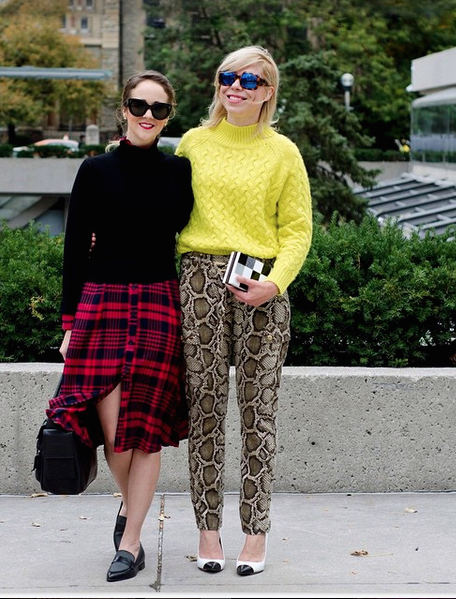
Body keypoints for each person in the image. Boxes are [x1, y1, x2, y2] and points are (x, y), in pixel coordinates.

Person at [46, 70, 194, 583]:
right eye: (139, 105)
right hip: (102, 303)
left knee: (146, 432)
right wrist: (69, 324)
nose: (148, 116)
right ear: (123, 109)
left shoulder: (180, 171)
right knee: (116, 436)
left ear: (169, 116)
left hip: (158, 303)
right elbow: (74, 250)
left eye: (159, 109)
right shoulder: (94, 170)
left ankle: (131, 542)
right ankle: (131, 506)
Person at [176, 46, 313, 576]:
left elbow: (297, 230)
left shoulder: (283, 152)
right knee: (205, 408)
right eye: (228, 76)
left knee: (260, 412)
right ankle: (208, 531)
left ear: (267, 91)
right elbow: (166, 209)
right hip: (199, 282)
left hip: (261, 285)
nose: (236, 86)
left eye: (249, 80)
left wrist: (275, 284)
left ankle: (256, 534)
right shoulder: (193, 142)